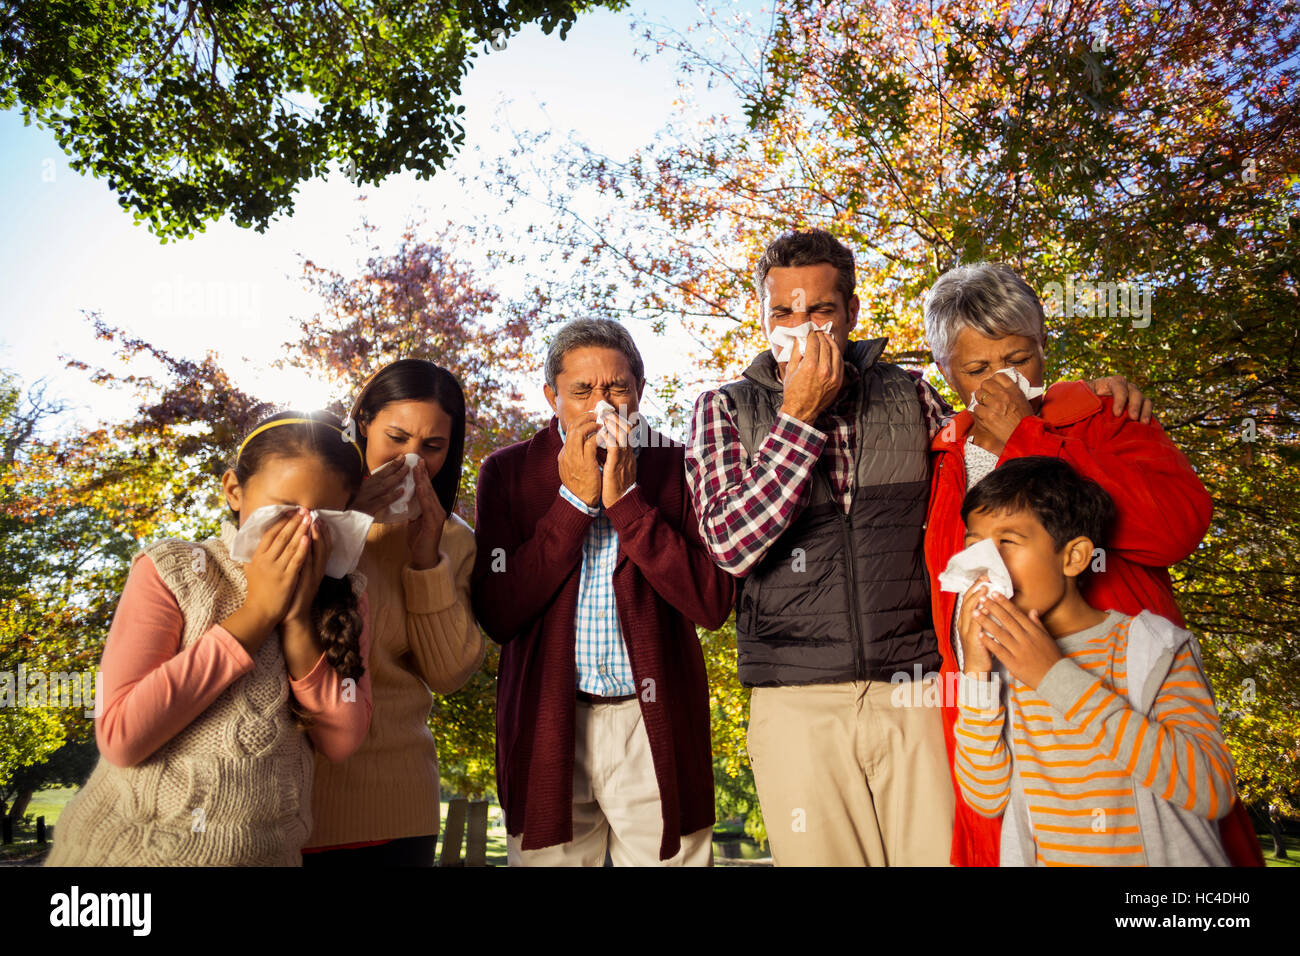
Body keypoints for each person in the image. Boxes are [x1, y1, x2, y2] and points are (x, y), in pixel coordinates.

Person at [686, 229, 1152, 866]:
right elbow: (731, 544)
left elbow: (993, 469)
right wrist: (797, 419)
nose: (801, 327)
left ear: (849, 314)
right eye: (783, 312)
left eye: (821, 310)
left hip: (919, 686)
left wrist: (1076, 398)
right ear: (763, 318)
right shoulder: (722, 409)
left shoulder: (910, 394)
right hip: (795, 698)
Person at [921, 261, 1261, 866]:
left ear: (1044, 348)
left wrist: (1030, 436)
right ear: (945, 372)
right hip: (994, 708)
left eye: (1019, 358)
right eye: (976, 369)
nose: (1002, 379)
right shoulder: (940, 451)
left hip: (1113, 686)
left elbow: (1174, 529)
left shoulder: (1100, 418)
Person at [46, 411, 373, 866]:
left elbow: (341, 741)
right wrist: (258, 613)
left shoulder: (346, 601)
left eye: (321, 517)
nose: (300, 530)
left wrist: (297, 619)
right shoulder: (173, 571)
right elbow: (121, 736)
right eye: (281, 509)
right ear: (234, 491)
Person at [471, 318, 734, 865]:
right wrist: (571, 503)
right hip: (550, 722)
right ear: (552, 397)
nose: (602, 405)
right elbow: (499, 612)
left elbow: (711, 602)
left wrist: (628, 505)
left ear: (639, 391)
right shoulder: (507, 472)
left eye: (616, 388)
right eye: (582, 391)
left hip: (654, 720)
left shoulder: (680, 465)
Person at [952, 456, 1240, 865]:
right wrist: (976, 674)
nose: (985, 564)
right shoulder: (996, 669)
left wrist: (1054, 677)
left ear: (1073, 557)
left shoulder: (1153, 648)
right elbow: (985, 797)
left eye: (1008, 542)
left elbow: (1211, 789)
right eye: (973, 546)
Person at [302, 359, 484, 868]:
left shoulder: (454, 543)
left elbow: (448, 674)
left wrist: (426, 560)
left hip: (398, 809)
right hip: (286, 798)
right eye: (396, 438)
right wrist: (347, 521)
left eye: (432, 447)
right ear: (362, 424)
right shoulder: (307, 512)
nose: (411, 461)